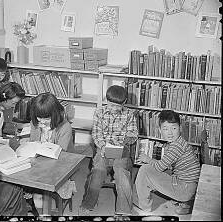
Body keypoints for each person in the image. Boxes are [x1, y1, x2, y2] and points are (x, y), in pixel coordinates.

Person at [79, 85, 138, 216]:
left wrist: (125, 142)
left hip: (121, 150)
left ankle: (124, 211)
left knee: (121, 173)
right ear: (107, 101)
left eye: (117, 106)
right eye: (111, 105)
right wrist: (103, 146)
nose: (113, 109)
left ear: (124, 102)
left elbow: (133, 134)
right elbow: (96, 134)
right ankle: (87, 204)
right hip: (103, 148)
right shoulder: (99, 112)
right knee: (98, 171)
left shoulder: (129, 114)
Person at [134, 110, 201, 215]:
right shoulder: (180, 142)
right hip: (190, 186)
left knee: (144, 170)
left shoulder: (175, 147)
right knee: (154, 170)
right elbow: (166, 166)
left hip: (184, 189)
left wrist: (147, 159)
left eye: (174, 128)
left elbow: (160, 167)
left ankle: (144, 207)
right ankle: (186, 203)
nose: (170, 133)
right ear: (160, 130)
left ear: (180, 128)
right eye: (165, 129)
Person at [29, 92, 76, 199]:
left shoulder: (65, 126)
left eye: (46, 118)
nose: (42, 121)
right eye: (39, 117)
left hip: (60, 162)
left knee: (40, 190)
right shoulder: (35, 122)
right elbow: (33, 143)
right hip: (39, 161)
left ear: (55, 114)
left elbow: (61, 152)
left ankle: (40, 203)